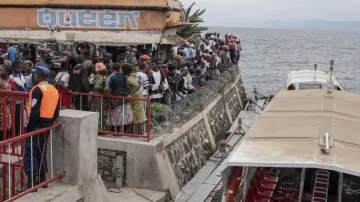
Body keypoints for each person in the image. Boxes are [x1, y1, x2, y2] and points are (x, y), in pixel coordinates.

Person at [24, 65, 59, 191]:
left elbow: (34, 112)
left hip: (36, 125)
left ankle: (31, 183)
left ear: (38, 76)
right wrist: (49, 122)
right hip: (47, 124)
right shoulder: (54, 90)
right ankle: (43, 179)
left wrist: (29, 128)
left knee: (30, 152)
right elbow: (56, 112)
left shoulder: (37, 90)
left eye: (35, 75)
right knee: (41, 151)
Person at [105, 63, 131, 132]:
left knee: (115, 116)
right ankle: (121, 131)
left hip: (114, 99)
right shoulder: (124, 76)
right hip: (123, 99)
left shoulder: (111, 77)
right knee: (122, 116)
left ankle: (115, 132)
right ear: (119, 69)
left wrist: (107, 95)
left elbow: (106, 88)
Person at [122, 64, 147, 133]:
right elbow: (139, 83)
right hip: (139, 94)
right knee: (139, 112)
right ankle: (139, 130)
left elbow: (136, 86)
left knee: (135, 113)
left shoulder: (129, 78)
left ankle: (135, 131)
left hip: (135, 97)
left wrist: (130, 94)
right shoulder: (134, 74)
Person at [0, 65, 14, 140]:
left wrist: (10, 99)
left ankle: (6, 138)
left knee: (7, 120)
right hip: (1, 104)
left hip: (9, 105)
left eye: (1, 70)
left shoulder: (11, 80)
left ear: (7, 72)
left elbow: (15, 90)